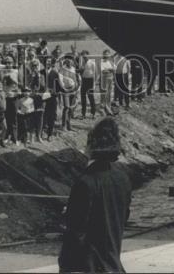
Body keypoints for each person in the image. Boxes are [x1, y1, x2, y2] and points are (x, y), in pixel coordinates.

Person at [58, 117, 132, 273]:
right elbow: (121, 218)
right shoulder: (123, 178)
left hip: (89, 267)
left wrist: (68, 215)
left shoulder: (85, 182)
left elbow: (75, 233)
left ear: (90, 145)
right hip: (113, 265)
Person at [59, 56, 79, 131]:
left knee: (71, 108)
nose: (70, 63)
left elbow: (77, 79)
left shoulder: (74, 69)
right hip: (66, 91)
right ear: (66, 62)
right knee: (66, 107)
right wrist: (64, 88)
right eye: (68, 62)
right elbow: (60, 79)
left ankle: (69, 125)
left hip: (73, 90)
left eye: (71, 62)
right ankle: (63, 125)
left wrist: (76, 89)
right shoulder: (62, 69)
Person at [80, 51, 97, 120]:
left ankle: (93, 114)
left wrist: (94, 84)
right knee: (83, 98)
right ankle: (83, 114)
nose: (84, 57)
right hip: (84, 80)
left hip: (90, 81)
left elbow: (95, 74)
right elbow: (81, 73)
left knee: (91, 97)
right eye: (83, 56)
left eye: (85, 56)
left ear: (88, 55)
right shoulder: (81, 63)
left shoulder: (92, 63)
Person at [99, 50, 115, 116]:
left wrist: (109, 70)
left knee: (109, 94)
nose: (106, 56)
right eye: (105, 54)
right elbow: (103, 71)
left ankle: (108, 107)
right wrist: (110, 69)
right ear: (103, 55)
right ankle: (103, 108)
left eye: (107, 54)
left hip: (110, 79)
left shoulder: (110, 62)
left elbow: (114, 69)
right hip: (103, 80)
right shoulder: (101, 62)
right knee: (104, 94)